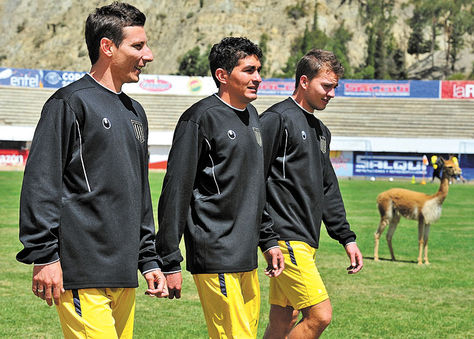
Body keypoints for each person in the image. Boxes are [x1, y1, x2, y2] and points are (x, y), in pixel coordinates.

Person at [16, 2, 168, 338]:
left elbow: (139, 191)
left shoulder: (135, 112)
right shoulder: (69, 103)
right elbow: (42, 182)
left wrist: (149, 258)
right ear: (108, 47)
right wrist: (44, 257)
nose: (149, 55)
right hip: (83, 269)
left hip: (123, 271)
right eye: (138, 46)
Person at [156, 37, 284, 338]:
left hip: (246, 255)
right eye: (249, 70)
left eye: (259, 70)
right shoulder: (199, 118)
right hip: (216, 253)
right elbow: (176, 190)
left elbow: (253, 186)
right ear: (223, 75)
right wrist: (170, 259)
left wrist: (268, 239)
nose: (258, 78)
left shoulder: (253, 117)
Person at [259, 49, 363, 339]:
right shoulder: (276, 119)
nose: (331, 94)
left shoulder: (320, 131)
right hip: (285, 237)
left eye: (335, 88)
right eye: (326, 86)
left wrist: (346, 237)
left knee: (284, 318)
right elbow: (255, 178)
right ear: (304, 81)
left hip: (307, 237)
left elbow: (327, 186)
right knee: (319, 315)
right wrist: (267, 236)